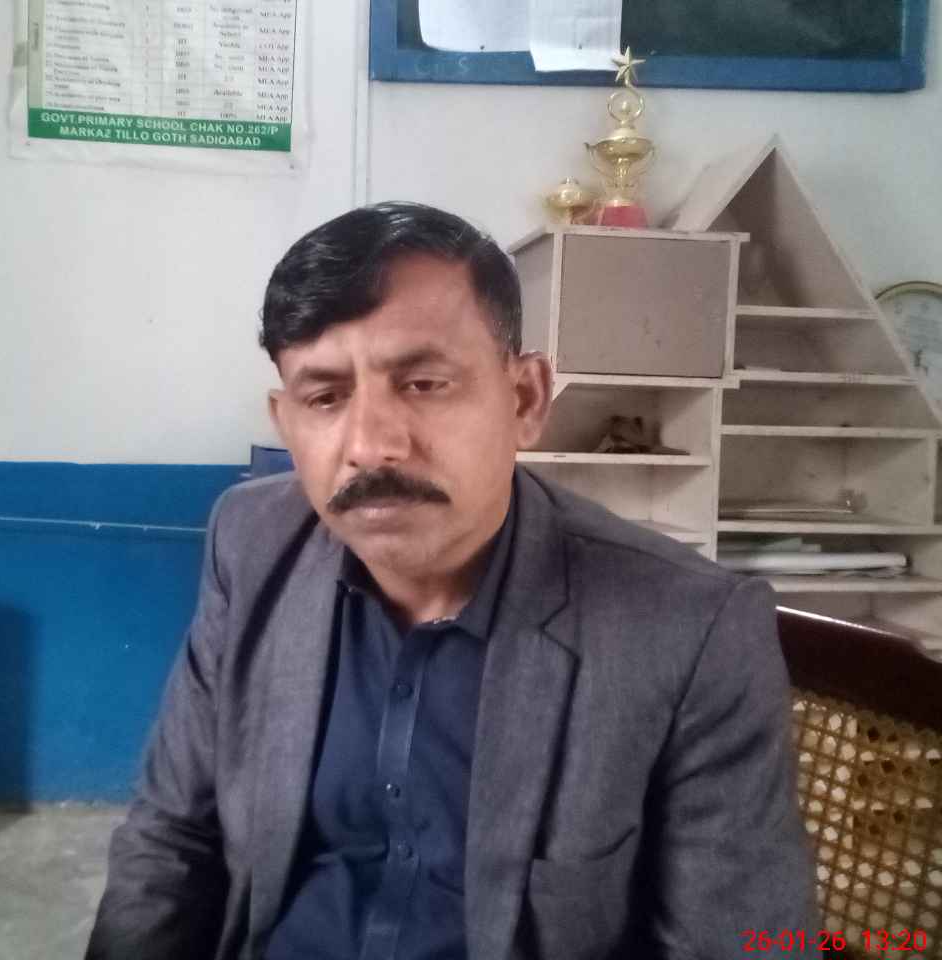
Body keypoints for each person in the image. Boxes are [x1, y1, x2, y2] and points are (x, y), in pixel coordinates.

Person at [86, 202, 815, 960]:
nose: (371, 445)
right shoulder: (252, 544)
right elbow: (172, 837)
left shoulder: (688, 628)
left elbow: (747, 943)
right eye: (325, 397)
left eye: (424, 383)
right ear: (286, 421)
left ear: (525, 399)